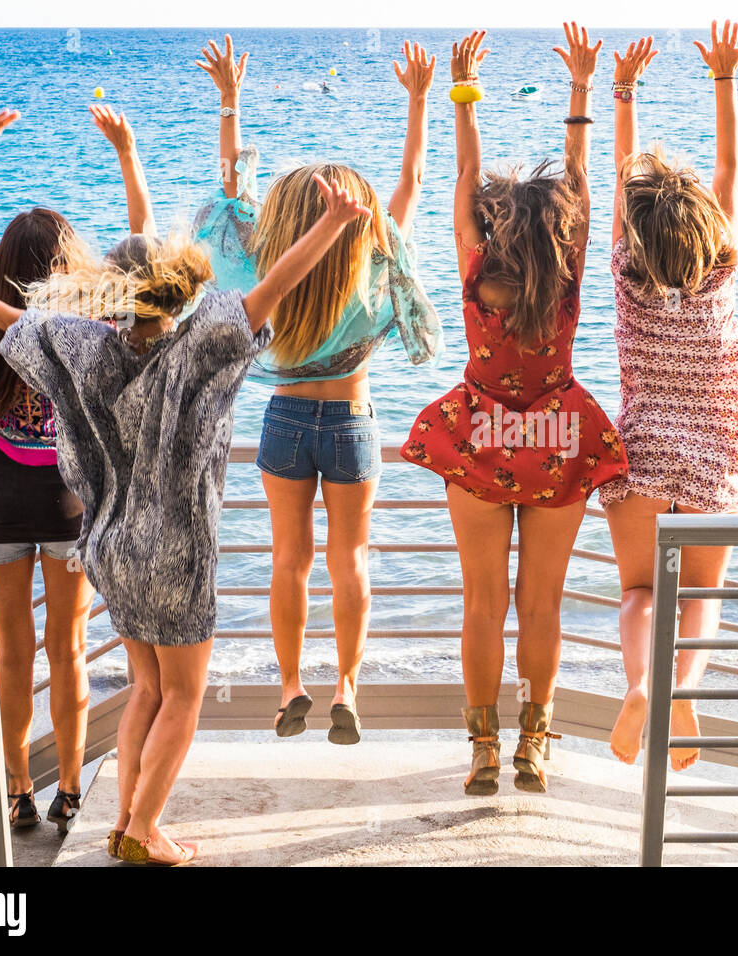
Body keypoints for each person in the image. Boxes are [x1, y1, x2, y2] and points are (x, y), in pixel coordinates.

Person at [0, 173, 374, 866]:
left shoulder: (85, 347)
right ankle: (145, 828)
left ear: (114, 292)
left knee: (147, 688)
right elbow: (276, 289)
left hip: (108, 544)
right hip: (175, 551)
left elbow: (4, 318)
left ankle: (124, 821)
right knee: (183, 698)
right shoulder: (203, 342)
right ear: (177, 287)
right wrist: (330, 226)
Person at [193, 36, 442, 742]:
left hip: (284, 424)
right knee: (350, 559)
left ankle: (289, 686)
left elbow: (230, 190)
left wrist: (230, 99)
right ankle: (348, 688)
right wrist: (421, 99)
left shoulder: (263, 274)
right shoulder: (375, 265)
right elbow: (415, 179)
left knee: (289, 560)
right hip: (352, 423)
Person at [400, 26, 628, 795]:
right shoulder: (563, 282)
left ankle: (483, 750)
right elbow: (582, 181)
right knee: (542, 604)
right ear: (557, 234)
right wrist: (582, 91)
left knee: (481, 602)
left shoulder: (474, 276)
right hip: (560, 439)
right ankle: (537, 740)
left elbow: (465, 173)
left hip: (478, 437)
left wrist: (464, 91)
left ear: (499, 228)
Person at [0, 107, 148, 833]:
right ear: (67, 264)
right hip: (72, 496)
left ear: (3, 262)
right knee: (68, 650)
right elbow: (145, 243)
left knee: (12, 654)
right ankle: (71, 789)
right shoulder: (90, 317)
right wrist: (127, 153)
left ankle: (18, 791)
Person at [599, 23, 738, 771]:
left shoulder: (627, 277)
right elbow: (729, 165)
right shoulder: (720, 272)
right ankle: (681, 687)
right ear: (709, 226)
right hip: (714, 460)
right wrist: (725, 80)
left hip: (641, 455)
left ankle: (640, 683)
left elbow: (618, 179)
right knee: (701, 597)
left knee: (639, 591)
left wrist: (622, 90)